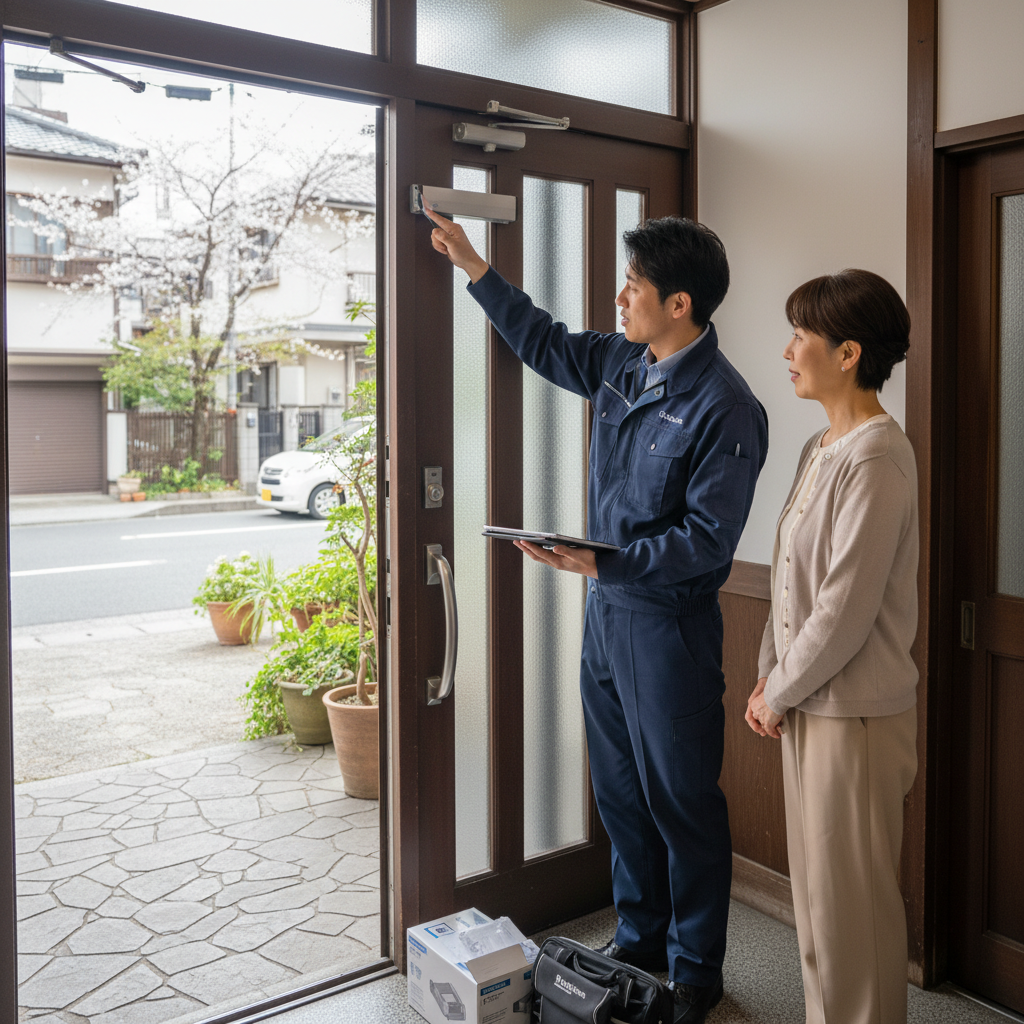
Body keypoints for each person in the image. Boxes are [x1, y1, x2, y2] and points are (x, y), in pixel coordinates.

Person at [424, 206, 768, 1024]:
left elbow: (707, 543)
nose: (620, 299)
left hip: (669, 627)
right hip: (607, 618)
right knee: (618, 791)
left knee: (681, 801)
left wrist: (603, 560)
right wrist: (476, 267)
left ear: (679, 304)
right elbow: (542, 341)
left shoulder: (728, 407)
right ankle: (641, 937)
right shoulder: (621, 363)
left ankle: (695, 970)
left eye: (635, 286)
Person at [746, 270, 918, 1024]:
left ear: (848, 353)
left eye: (801, 338)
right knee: (817, 906)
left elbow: (845, 608)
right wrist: (765, 681)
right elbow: (790, 578)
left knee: (854, 913)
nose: (787, 351)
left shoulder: (877, 454)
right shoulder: (822, 446)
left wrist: (778, 689)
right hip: (809, 702)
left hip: (856, 715)